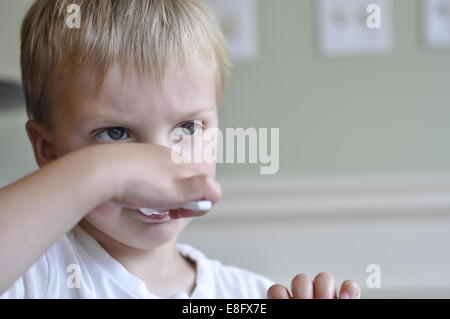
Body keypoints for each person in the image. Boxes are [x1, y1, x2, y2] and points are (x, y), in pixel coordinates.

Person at [0, 0, 360, 299]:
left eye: (187, 127)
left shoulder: (249, 295)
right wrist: (107, 173)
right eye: (114, 133)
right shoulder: (34, 274)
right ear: (48, 150)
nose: (162, 164)